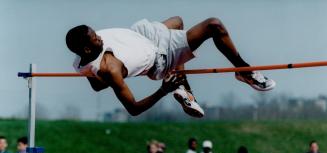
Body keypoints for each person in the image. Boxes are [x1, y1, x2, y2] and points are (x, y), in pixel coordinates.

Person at [66, 16, 276, 118]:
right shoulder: (109, 69)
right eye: (95, 38)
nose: (99, 37)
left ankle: (184, 89)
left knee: (177, 21)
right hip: (160, 55)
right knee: (214, 25)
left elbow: (96, 86)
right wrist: (162, 91)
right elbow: (133, 109)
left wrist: (109, 80)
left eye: (96, 33)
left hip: (141, 34)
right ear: (86, 49)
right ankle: (245, 71)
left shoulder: (81, 60)